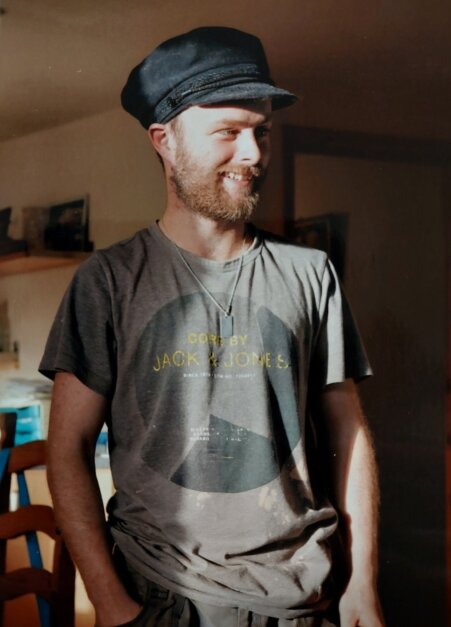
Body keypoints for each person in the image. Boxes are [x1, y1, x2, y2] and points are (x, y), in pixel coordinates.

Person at [40, 26, 384, 627]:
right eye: (228, 132)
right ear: (165, 141)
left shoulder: (311, 275)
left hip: (304, 600)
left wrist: (363, 585)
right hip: (160, 600)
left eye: (261, 132)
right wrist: (112, 604)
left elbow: (348, 432)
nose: (252, 153)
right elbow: (67, 450)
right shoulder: (108, 281)